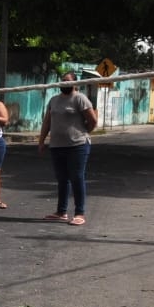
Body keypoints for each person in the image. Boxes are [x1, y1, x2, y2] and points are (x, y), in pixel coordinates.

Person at [38, 72, 98, 226]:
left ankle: (79, 213)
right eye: (62, 81)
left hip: (77, 145)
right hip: (57, 145)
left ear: (75, 84)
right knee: (62, 179)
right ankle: (61, 212)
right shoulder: (54, 100)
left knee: (77, 177)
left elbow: (92, 121)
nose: (64, 83)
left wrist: (83, 134)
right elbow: (47, 122)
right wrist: (41, 141)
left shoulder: (80, 98)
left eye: (67, 81)